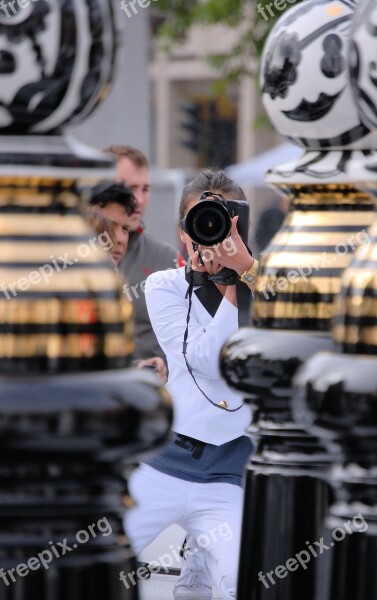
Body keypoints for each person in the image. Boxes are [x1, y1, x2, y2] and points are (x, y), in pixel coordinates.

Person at [123, 169, 259, 600]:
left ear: (242, 224)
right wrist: (228, 285)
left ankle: (198, 570)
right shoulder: (164, 286)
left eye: (225, 220)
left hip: (228, 473)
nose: (213, 232)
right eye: (202, 220)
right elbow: (206, 360)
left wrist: (246, 274)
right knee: (99, 553)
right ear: (184, 232)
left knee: (239, 581)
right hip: (165, 461)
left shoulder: (268, 284)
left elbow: (302, 319)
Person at [105, 145, 180, 362]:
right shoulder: (68, 255)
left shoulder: (168, 259)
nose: (138, 200)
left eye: (145, 189)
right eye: (129, 188)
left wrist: (164, 368)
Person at [87, 180, 167, 381]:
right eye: (110, 225)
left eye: (125, 229)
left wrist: (136, 368)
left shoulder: (165, 258)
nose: (120, 238)